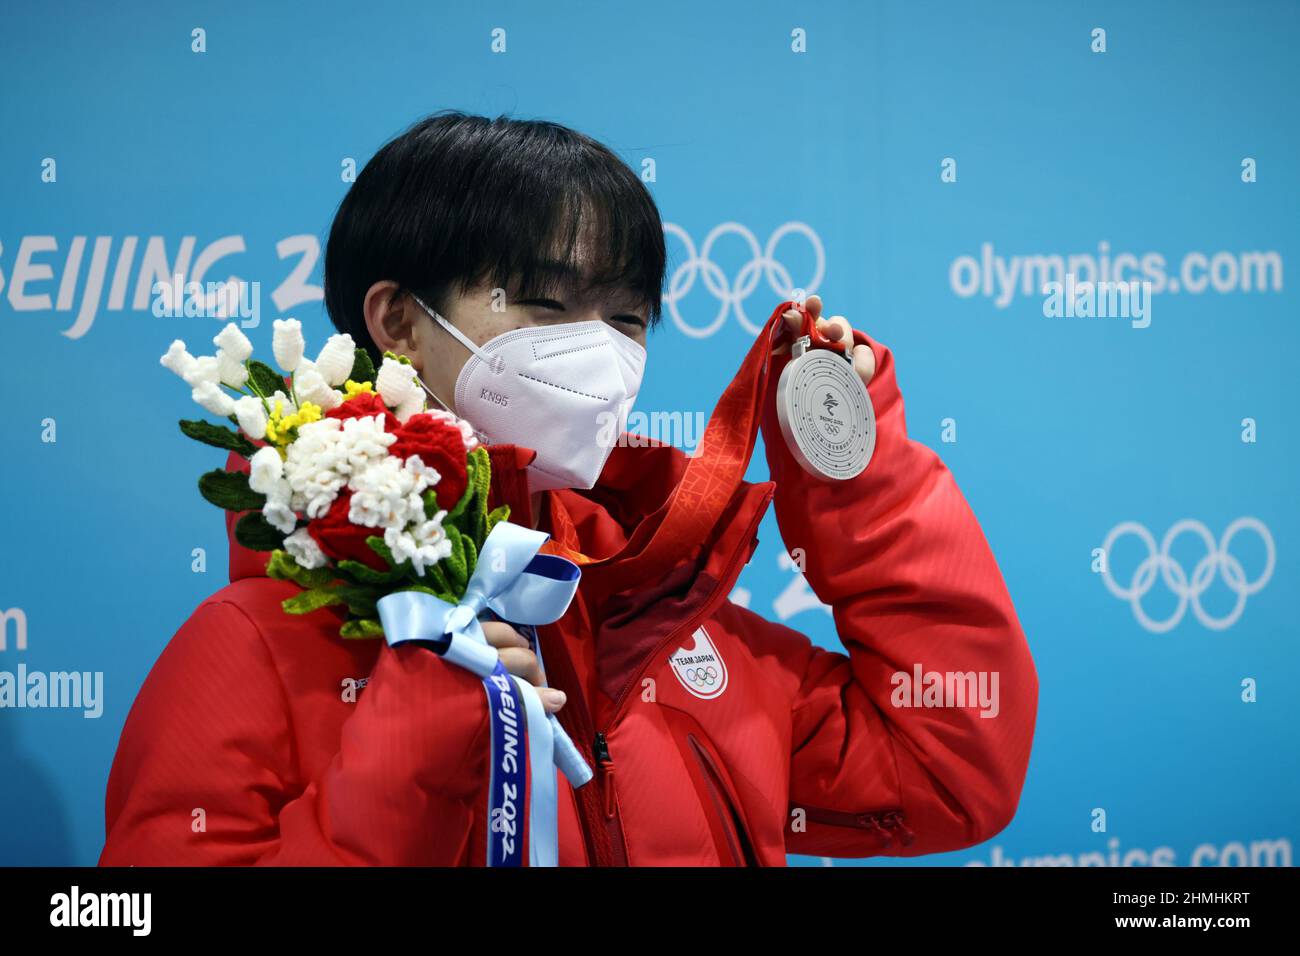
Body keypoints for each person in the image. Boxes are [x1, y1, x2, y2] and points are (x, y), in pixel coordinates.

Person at [99, 110, 1038, 866]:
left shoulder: (674, 628)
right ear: (396, 322)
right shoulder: (254, 651)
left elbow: (950, 768)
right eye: (545, 304)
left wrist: (855, 469)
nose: (595, 349)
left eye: (625, 316)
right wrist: (415, 749)